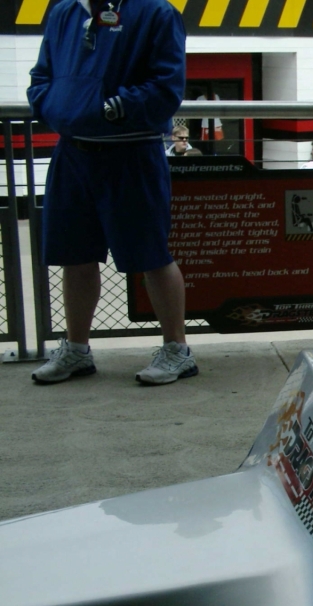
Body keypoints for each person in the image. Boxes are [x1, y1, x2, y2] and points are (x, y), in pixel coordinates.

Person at [28, 0, 196, 386]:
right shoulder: (63, 13)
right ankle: (76, 350)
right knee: (76, 256)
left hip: (132, 153)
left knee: (152, 255)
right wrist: (53, 106)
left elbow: (167, 86)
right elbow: (42, 77)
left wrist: (108, 110)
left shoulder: (157, 13)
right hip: (72, 152)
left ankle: (177, 350)